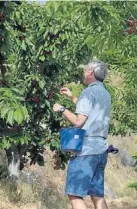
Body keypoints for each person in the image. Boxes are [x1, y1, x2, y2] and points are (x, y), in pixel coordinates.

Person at [53, 60, 111, 209]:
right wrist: (72, 98)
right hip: (101, 150)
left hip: (86, 150)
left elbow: (79, 121)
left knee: (75, 194)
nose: (83, 73)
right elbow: (90, 111)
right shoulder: (104, 93)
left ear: (91, 73)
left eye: (85, 70)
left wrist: (61, 109)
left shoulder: (88, 91)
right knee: (97, 196)